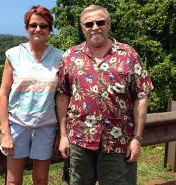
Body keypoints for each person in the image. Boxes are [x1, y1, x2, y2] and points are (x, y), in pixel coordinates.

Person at [57, 4, 154, 185]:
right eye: (89, 24)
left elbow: (141, 95)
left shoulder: (129, 55)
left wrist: (137, 138)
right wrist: (63, 136)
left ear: (109, 24)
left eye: (100, 22)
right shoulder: (70, 56)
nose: (95, 27)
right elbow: (63, 95)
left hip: (118, 141)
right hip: (79, 140)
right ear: (82, 28)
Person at [0, 5, 63, 185]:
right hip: (18, 125)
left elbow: (63, 97)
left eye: (43, 26)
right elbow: (3, 94)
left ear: (50, 29)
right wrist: (6, 134)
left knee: (41, 179)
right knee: (13, 181)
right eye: (33, 25)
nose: (38, 29)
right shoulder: (13, 54)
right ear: (26, 28)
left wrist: (62, 133)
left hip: (46, 125)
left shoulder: (60, 57)